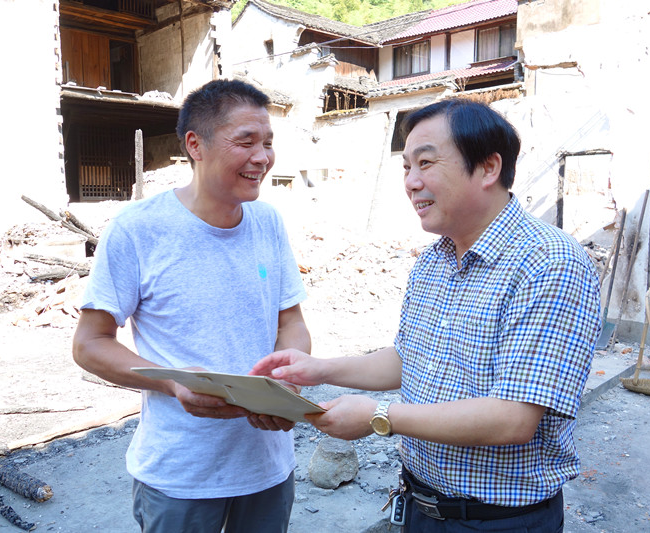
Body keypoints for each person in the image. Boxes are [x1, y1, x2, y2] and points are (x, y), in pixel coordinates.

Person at [252, 99, 601, 532]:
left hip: (499, 522)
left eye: (426, 163)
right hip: (420, 505)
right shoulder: (433, 261)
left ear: (488, 168)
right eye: (406, 168)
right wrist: (318, 369)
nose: (411, 182)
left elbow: (513, 418)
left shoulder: (549, 262)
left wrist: (380, 416)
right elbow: (408, 358)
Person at [72, 79, 310, 533]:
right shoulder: (137, 230)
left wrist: (289, 377)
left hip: (267, 465)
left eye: (267, 142)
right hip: (180, 474)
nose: (262, 157)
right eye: (246, 141)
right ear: (195, 145)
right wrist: (172, 383)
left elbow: (291, 322)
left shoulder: (267, 222)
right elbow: (89, 344)